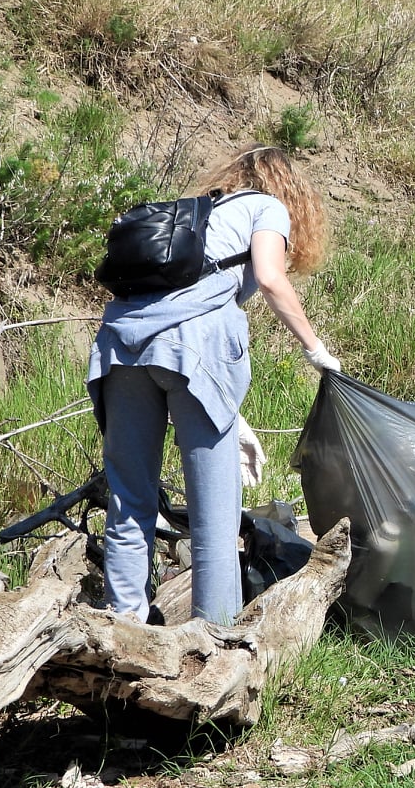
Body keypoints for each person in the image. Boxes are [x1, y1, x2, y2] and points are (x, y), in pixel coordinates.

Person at [88, 144, 340, 627]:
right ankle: (214, 638)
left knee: (129, 500)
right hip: (194, 352)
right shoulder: (267, 207)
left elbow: (175, 305)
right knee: (215, 516)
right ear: (288, 187)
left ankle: (123, 629)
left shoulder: (196, 216)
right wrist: (315, 349)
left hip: (120, 346)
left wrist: (233, 413)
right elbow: (270, 279)